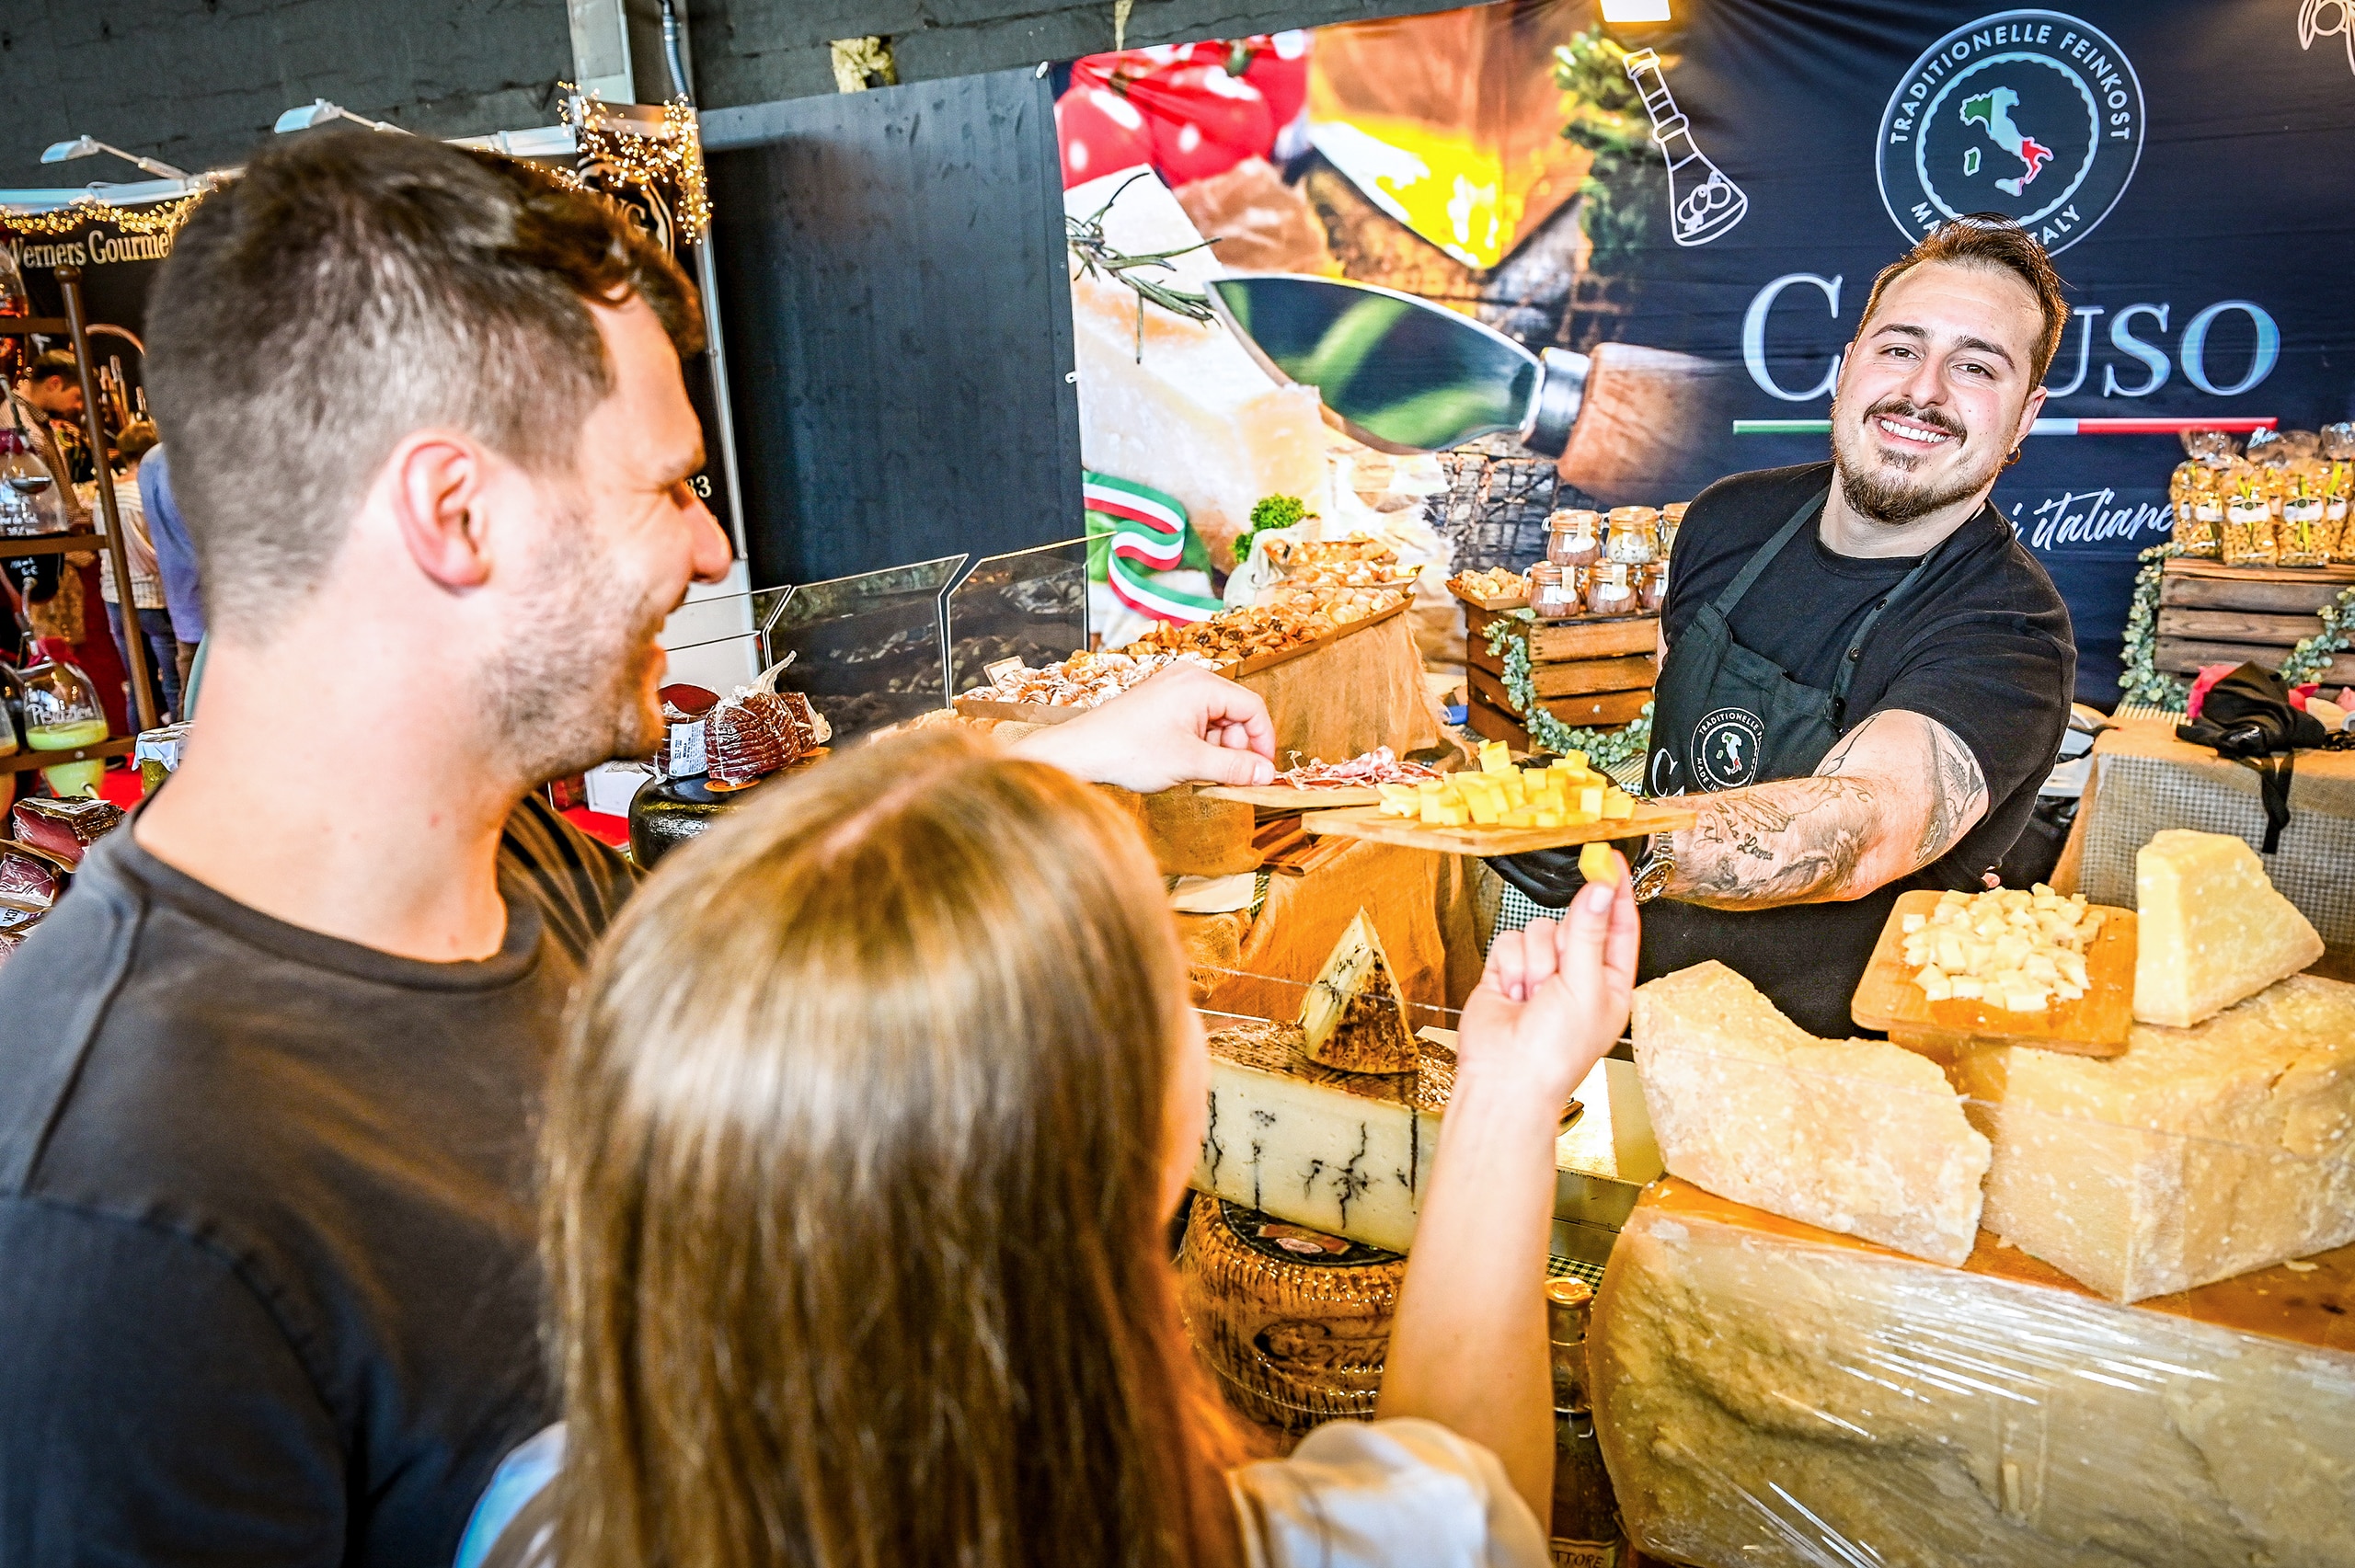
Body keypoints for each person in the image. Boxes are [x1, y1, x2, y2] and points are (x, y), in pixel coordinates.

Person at [0, 130, 1277, 1568]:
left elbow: (768, 893)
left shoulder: (511, 864)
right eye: (670, 485)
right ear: (455, 514)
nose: (713, 549)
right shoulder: (114, 1201)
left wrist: (1061, 748)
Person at [452, 727, 1637, 1568]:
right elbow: (1472, 1503)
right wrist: (1509, 1097)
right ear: (1133, 1143)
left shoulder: (537, 1509)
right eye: (1165, 967)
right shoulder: (1316, 1545)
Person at [1496, 215, 2075, 1037]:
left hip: (1840, 1080)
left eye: (1976, 366)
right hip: (1643, 1016)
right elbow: (1672, 729)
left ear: (2023, 418)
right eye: (1899, 347)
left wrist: (1632, 843)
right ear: (1848, 368)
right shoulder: (1728, 518)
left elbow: (1866, 825)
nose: (1924, 391)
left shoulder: (2012, 631)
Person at [95, 418, 185, 720]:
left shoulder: (103, 495)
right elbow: (155, 551)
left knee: (137, 682)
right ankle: (177, 756)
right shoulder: (146, 492)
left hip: (114, 595)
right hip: (151, 596)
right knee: (172, 681)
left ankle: (139, 755)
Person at [137, 441, 205, 698]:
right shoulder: (193, 457)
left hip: (183, 604)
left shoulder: (151, 460)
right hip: (219, 610)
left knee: (190, 706)